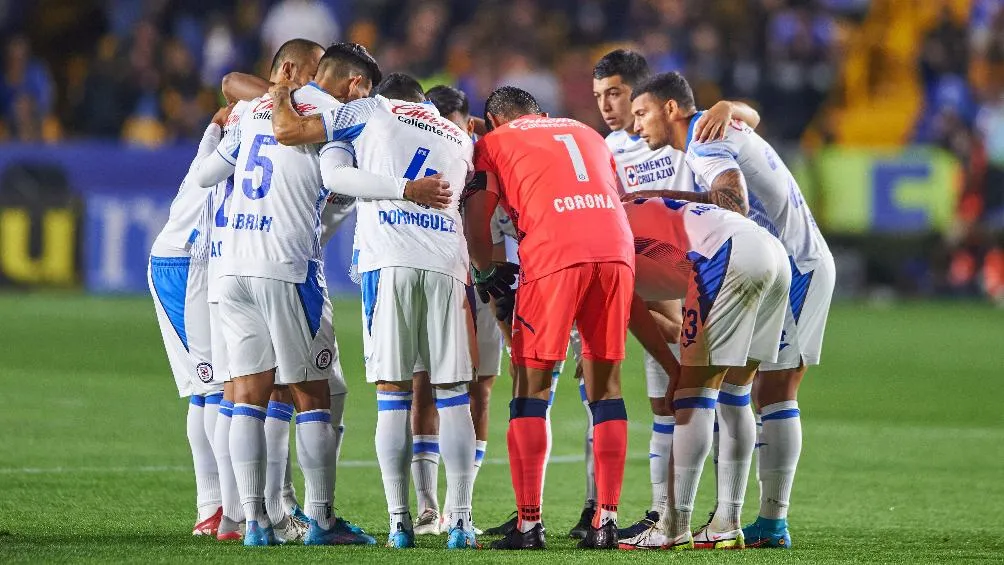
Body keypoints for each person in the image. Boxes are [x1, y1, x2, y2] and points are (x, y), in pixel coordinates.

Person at [191, 43, 387, 547]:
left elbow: (207, 175)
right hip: (286, 266)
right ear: (356, 84)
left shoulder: (254, 108)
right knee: (313, 395)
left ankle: (255, 523)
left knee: (247, 396)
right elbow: (336, 172)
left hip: (231, 267)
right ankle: (321, 520)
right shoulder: (335, 115)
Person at [629, 71, 836, 549]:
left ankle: (769, 521)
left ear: (671, 109)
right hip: (791, 258)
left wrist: (661, 200)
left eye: (642, 113)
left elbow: (732, 201)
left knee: (774, 394)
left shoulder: (702, 143)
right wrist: (728, 104)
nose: (637, 126)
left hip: (792, 264)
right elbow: (752, 117)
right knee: (743, 390)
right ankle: (735, 520)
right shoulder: (718, 123)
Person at [274, 72, 480, 550]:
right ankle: (461, 522)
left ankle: (399, 524)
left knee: (393, 394)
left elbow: (331, 175)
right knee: (452, 395)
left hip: (388, 260)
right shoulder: (457, 134)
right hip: (447, 262)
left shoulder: (371, 109)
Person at [590, 48, 763, 543]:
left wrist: (728, 105)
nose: (608, 106)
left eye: (617, 94)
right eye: (599, 96)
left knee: (705, 394)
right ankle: (661, 509)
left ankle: (695, 516)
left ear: (643, 95)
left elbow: (746, 123)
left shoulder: (679, 133)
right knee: (664, 404)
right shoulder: (608, 148)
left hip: (701, 267)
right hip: (656, 278)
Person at [463, 86, 645, 550]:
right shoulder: (587, 131)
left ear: (494, 121)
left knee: (531, 384)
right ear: (540, 113)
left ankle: (528, 525)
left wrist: (484, 273)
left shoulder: (494, 142)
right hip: (617, 251)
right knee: (606, 386)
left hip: (554, 254)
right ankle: (606, 522)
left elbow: (477, 220)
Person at [619, 195, 791, 549]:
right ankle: (726, 523)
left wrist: (674, 369)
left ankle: (673, 527)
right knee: (735, 394)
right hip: (770, 251)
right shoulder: (621, 211)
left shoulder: (601, 233)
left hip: (726, 254)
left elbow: (626, 307)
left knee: (693, 398)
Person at [407, 85, 501, 537]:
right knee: (423, 386)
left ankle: (456, 505)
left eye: (454, 124)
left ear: (469, 124)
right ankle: (427, 506)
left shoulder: (486, 159)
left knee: (479, 389)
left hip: (482, 283)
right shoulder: (414, 150)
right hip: (436, 278)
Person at [147, 104, 230, 539]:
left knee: (211, 386)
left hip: (201, 261)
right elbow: (226, 102)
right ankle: (213, 508)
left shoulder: (221, 136)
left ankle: (217, 507)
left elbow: (220, 112)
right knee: (210, 385)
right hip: (184, 262)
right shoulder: (239, 137)